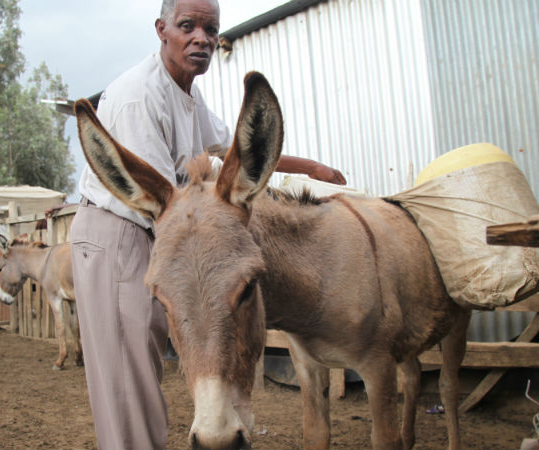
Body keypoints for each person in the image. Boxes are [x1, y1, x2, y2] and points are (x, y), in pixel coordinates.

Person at [69, 1, 346, 448]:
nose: (201, 37)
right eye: (188, 26)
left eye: (210, 29)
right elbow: (173, 208)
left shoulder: (188, 95)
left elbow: (227, 147)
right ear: (161, 30)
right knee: (128, 377)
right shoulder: (142, 97)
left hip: (153, 231)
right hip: (118, 232)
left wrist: (311, 167)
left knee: (149, 364)